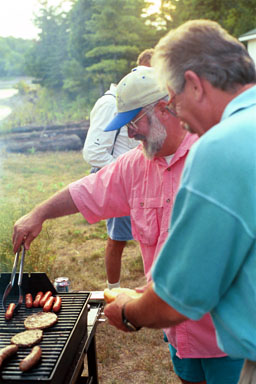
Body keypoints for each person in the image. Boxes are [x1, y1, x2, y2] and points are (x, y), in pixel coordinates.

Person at [12, 67, 243, 384]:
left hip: (227, 338)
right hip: (177, 333)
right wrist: (39, 213)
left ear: (164, 108)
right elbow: (88, 191)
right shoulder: (138, 163)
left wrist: (130, 314)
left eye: (134, 123)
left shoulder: (213, 158)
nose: (130, 134)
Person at [102, 19, 256, 383]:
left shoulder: (219, 146)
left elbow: (180, 298)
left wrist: (128, 313)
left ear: (195, 84)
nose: (179, 117)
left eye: (173, 100)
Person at [83, 83, 138, 289]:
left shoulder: (140, 100)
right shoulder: (109, 103)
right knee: (117, 239)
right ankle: (113, 289)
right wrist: (126, 171)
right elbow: (93, 153)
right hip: (120, 183)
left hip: (139, 183)